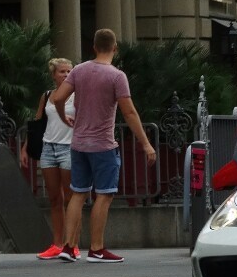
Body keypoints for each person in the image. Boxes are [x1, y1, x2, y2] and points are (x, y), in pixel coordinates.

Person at [50, 29, 156, 263]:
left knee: (78, 193)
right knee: (104, 195)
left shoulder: (78, 70)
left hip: (78, 144)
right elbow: (129, 111)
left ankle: (69, 247)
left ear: (94, 47)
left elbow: (58, 98)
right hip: (103, 145)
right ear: (115, 48)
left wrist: (63, 117)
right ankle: (96, 249)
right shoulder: (117, 76)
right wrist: (146, 144)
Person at [20, 57, 75, 259]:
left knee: (71, 199)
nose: (67, 75)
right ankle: (57, 244)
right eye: (62, 71)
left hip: (69, 147)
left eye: (70, 71)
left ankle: (72, 244)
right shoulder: (47, 96)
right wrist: (26, 148)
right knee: (54, 198)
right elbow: (37, 123)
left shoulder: (78, 95)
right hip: (48, 147)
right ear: (53, 75)